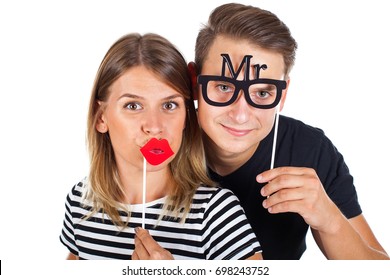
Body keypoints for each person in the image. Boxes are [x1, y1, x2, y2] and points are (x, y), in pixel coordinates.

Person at [189, 3, 389, 260]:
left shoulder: (309, 151)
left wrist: (329, 220)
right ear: (195, 83)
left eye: (262, 93)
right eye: (224, 87)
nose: (240, 114)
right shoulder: (160, 144)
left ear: (282, 95)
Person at [59, 33, 262, 260]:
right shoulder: (79, 202)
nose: (155, 127)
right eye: (133, 105)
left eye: (169, 105)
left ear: (186, 117)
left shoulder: (215, 212)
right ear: (101, 117)